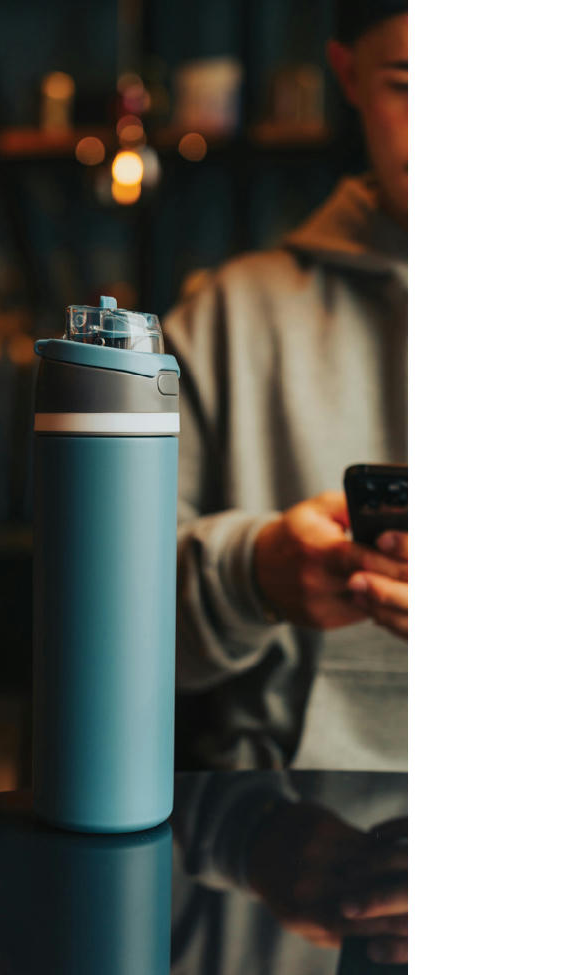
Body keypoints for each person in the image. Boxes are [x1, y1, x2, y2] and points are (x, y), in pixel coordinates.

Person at [165, 1, 408, 771]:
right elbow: (97, 623)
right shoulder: (226, 319)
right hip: (271, 808)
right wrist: (252, 575)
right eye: (409, 86)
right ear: (350, 77)